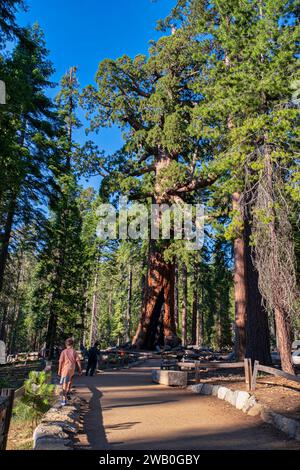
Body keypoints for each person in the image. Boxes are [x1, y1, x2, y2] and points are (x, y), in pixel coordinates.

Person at [58, 338, 82, 406]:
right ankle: (68, 392)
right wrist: (80, 369)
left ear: (66, 344)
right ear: (72, 344)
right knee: (70, 379)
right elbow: (78, 361)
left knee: (64, 385)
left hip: (65, 369)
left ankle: (64, 399)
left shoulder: (64, 352)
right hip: (72, 369)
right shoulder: (74, 351)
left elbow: (60, 362)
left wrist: (59, 370)